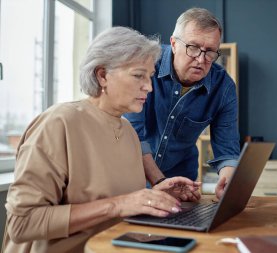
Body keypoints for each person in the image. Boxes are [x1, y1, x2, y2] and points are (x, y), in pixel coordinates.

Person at [3, 26, 200, 253]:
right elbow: (22, 223)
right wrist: (119, 205)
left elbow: (119, 206)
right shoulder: (58, 123)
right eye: (138, 75)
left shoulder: (128, 132)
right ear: (102, 75)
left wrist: (154, 198)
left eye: (150, 77)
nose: (148, 87)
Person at [124, 7, 240, 200]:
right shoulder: (145, 66)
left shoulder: (224, 87)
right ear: (174, 43)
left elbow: (227, 149)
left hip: (180, 183)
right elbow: (134, 135)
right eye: (193, 48)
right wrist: (159, 182)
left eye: (210, 52)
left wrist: (227, 180)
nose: (201, 60)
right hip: (131, 179)